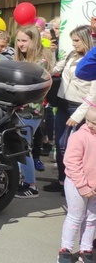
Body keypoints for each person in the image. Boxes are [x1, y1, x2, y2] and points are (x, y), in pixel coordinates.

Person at [45, 25, 96, 194]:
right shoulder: (71, 55)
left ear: (87, 39)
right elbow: (53, 70)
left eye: (76, 40)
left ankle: (76, 184)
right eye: (72, 40)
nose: (73, 44)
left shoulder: (91, 62)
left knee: (76, 148)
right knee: (60, 144)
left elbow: (92, 94)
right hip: (63, 105)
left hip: (80, 109)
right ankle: (62, 181)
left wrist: (79, 115)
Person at [13, 24, 54, 198]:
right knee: (17, 147)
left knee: (22, 148)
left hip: (31, 111)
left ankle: (31, 185)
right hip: (20, 110)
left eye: (24, 41)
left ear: (34, 40)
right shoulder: (23, 58)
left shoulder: (40, 61)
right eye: (18, 40)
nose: (21, 44)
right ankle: (23, 181)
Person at [56, 106, 96, 263]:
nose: (92, 125)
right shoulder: (79, 137)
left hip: (94, 186)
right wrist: (83, 186)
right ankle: (65, 248)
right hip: (76, 184)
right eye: (89, 122)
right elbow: (72, 163)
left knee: (92, 218)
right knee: (75, 217)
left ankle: (86, 248)